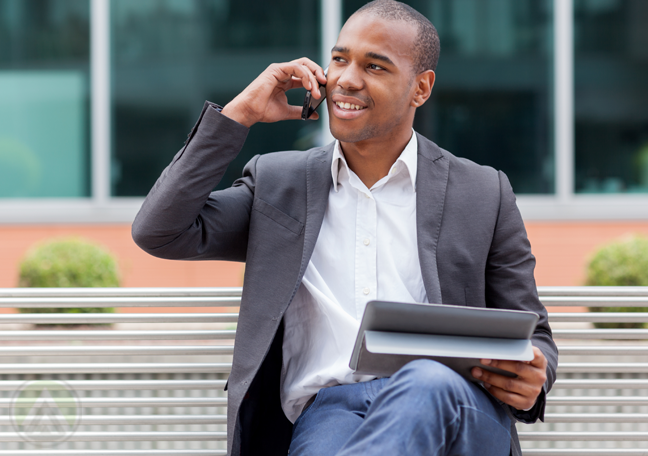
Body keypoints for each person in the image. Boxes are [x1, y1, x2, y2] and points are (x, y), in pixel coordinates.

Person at [132, 1, 558, 455]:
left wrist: (534, 372)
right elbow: (160, 230)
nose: (346, 79)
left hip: (452, 405)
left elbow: (536, 338)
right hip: (330, 413)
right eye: (339, 59)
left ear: (421, 88)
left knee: (427, 380)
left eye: (374, 66)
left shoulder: (482, 192)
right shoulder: (279, 185)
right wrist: (239, 114)